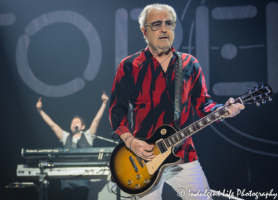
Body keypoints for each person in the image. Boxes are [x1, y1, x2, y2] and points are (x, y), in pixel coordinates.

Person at [109, 3, 245, 200]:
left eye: (169, 23)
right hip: (143, 157)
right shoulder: (129, 66)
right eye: (156, 24)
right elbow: (117, 110)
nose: (164, 28)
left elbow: (203, 104)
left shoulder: (189, 64)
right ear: (144, 31)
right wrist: (131, 142)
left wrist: (224, 110)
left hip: (183, 154)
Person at [36, 91, 109, 200]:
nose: (74, 124)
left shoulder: (88, 136)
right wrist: (40, 110)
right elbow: (52, 125)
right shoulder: (66, 137)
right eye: (72, 123)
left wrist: (104, 103)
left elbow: (96, 120)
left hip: (83, 178)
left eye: (76, 122)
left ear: (83, 126)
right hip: (67, 179)